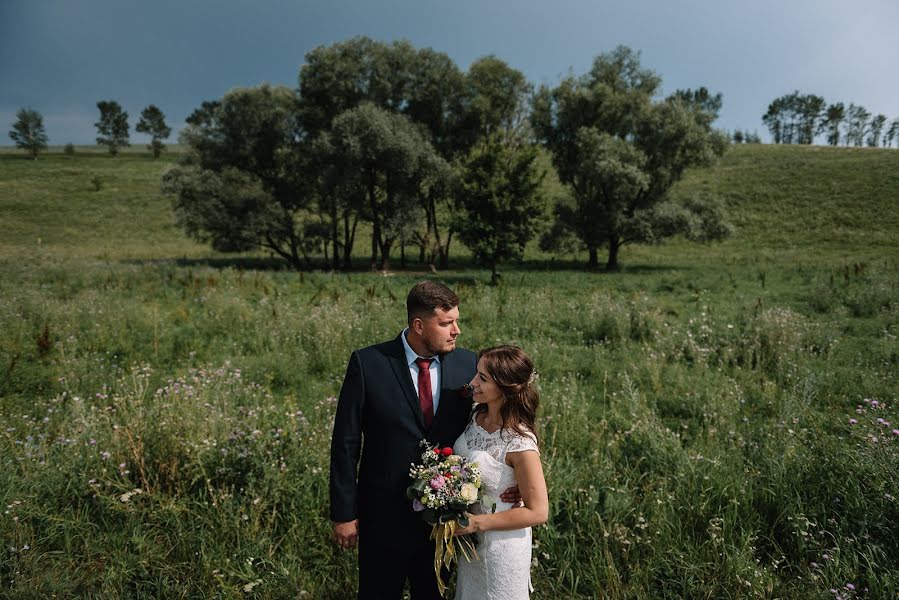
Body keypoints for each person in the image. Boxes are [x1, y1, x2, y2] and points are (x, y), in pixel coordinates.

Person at [330, 281, 519, 599]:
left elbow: (499, 420)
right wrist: (343, 513)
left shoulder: (468, 364)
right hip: (382, 518)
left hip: (446, 523)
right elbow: (345, 443)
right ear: (419, 325)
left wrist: (512, 483)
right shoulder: (368, 364)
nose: (456, 330)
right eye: (446, 323)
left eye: (457, 320)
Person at [452, 345, 549, 599]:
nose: (473, 383)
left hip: (502, 548)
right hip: (471, 545)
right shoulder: (476, 416)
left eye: (482, 379)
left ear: (505, 388)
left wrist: (477, 523)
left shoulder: (520, 443)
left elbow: (538, 511)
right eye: (477, 373)